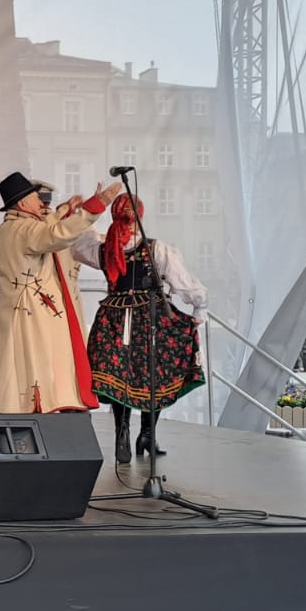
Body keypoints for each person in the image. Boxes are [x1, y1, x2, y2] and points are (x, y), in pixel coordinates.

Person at [0, 173, 120, 415]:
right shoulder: (27, 230)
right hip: (37, 312)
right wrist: (93, 207)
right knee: (40, 363)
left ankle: (15, 408)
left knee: (17, 366)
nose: (42, 204)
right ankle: (40, 408)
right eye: (36, 199)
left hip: (20, 310)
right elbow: (55, 234)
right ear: (23, 204)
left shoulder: (7, 230)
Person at [69, 195, 207, 463]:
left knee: (120, 374)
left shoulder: (104, 249)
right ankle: (146, 434)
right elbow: (182, 281)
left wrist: (81, 215)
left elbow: (78, 245)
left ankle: (125, 434)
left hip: (113, 318)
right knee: (153, 373)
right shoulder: (156, 249)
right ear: (140, 216)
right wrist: (200, 307)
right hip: (149, 318)